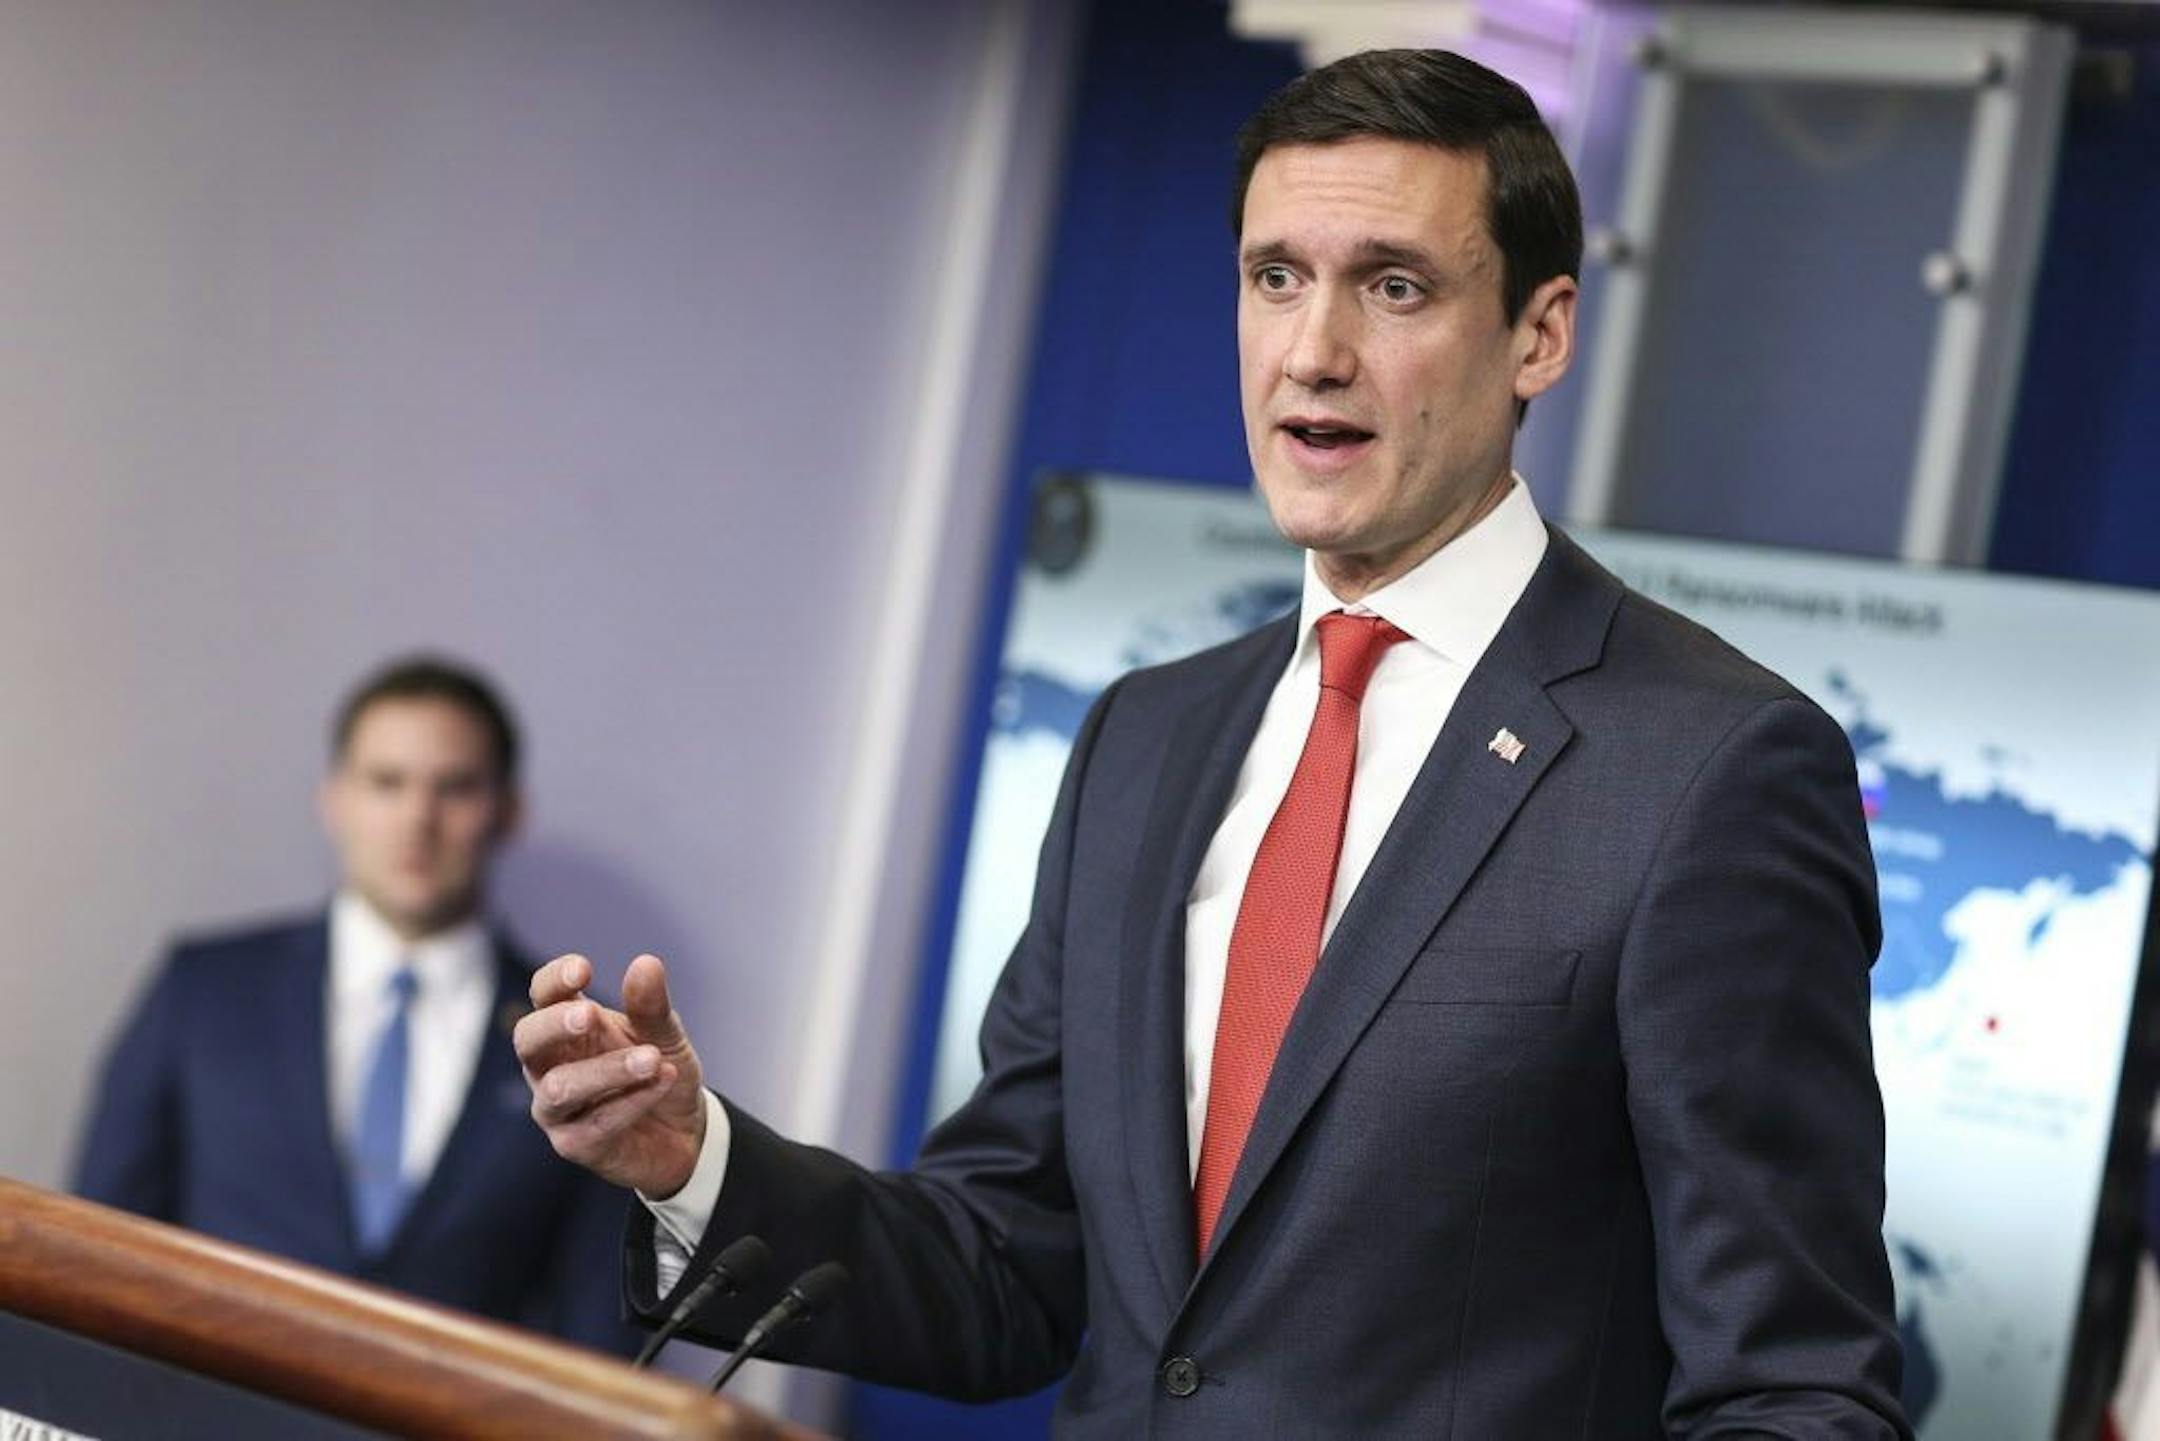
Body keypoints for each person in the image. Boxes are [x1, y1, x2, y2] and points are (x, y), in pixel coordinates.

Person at [518, 49, 1909, 1434]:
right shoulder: (1147, 738)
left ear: (1539, 335)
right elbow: (1007, 1261)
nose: (1313, 352)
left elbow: (1794, 1389)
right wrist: (693, 1160)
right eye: (1276, 277)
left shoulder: (1710, 770)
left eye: (1395, 286)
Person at [75, 656, 638, 1356]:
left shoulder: (576, 1042)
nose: (417, 818)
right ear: (334, 799)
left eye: (456, 787)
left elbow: (599, 1334)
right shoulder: (205, 990)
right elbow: (91, 1253)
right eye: (386, 782)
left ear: (508, 811)